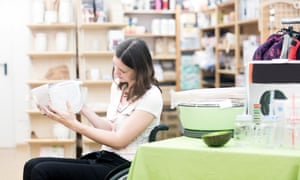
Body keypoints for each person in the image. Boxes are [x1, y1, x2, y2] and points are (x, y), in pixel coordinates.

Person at [23, 38, 163, 180]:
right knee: (31, 165)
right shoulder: (119, 87)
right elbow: (110, 129)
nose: (116, 73)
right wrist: (82, 107)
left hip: (124, 166)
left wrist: (75, 125)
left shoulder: (152, 97)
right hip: (104, 157)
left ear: (139, 70)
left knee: (41, 171)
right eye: (115, 66)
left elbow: (119, 140)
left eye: (123, 71)